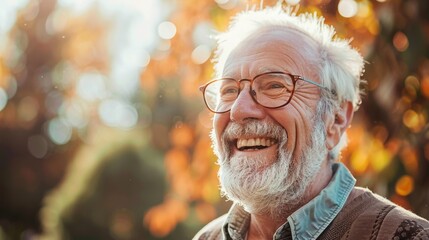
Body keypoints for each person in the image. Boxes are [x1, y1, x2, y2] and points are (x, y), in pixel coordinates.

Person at [193, 6, 429, 240]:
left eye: (275, 86)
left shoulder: (405, 236)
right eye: (229, 90)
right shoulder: (205, 238)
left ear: (335, 119)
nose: (239, 110)